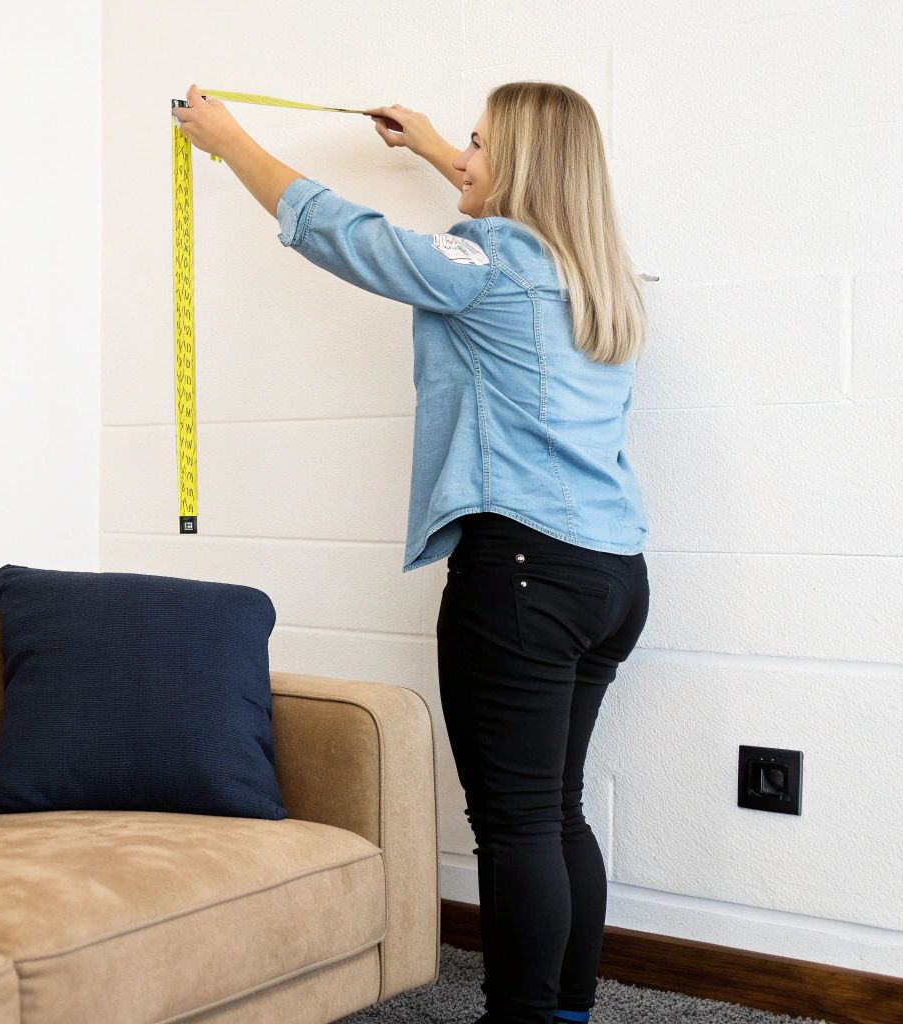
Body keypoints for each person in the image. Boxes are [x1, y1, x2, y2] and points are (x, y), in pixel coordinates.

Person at [172, 81, 652, 1024]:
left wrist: (233, 144)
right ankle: (566, 1012)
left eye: (477, 146)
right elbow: (498, 211)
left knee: (514, 824)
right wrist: (435, 150)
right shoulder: (599, 280)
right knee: (557, 813)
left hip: (520, 574)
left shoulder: (488, 262)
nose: (463, 159)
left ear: (515, 165)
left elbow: (349, 234)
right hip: (613, 579)